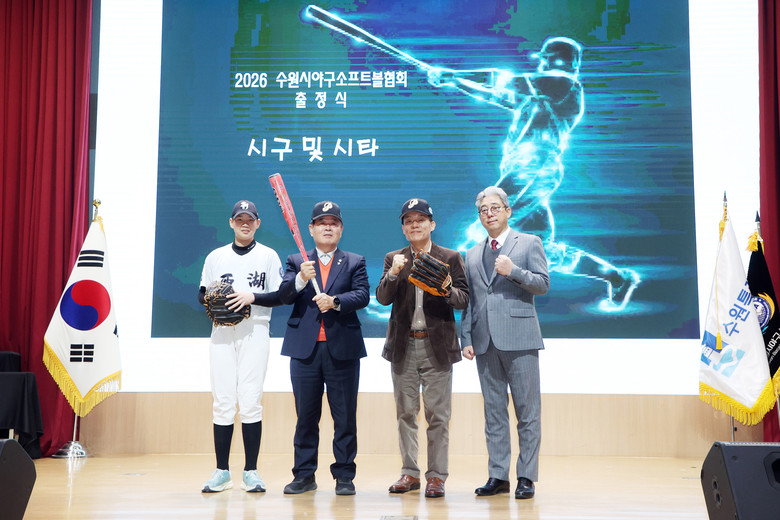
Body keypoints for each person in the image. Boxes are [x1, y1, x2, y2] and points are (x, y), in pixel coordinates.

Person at [427, 37, 639, 308]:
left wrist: (452, 74)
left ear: (556, 60)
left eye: (545, 59)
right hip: (530, 172)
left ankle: (426, 295)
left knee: (481, 227)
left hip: (532, 169)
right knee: (544, 251)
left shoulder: (565, 85)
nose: (541, 64)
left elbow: (502, 79)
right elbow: (494, 94)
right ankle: (617, 277)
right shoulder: (538, 96)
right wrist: (454, 81)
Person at [460, 186, 550, 499]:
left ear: (508, 211)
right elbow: (470, 300)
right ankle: (498, 475)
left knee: (527, 412)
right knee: (494, 413)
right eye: (484, 210)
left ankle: (526, 476)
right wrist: (466, 337)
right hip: (484, 342)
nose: (490, 213)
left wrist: (514, 272)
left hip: (520, 338)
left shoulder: (529, 242)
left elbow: (542, 284)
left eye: (495, 207)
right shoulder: (472, 253)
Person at [376, 198, 469, 498]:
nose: (414, 225)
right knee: (406, 413)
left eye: (420, 220)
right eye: (409, 221)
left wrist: (445, 289)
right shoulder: (394, 258)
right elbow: (382, 299)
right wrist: (393, 274)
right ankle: (410, 472)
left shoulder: (450, 257)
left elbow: (463, 299)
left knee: (438, 415)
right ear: (403, 229)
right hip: (403, 346)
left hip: (436, 346)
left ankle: (437, 476)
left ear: (432, 224)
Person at [277, 201, 370, 496]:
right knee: (306, 416)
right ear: (311, 229)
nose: (327, 228)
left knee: (344, 417)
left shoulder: (354, 261)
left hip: (342, 348)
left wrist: (335, 302)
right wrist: (301, 279)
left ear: (341, 229)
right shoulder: (297, 261)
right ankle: (304, 475)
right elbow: (284, 296)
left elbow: (362, 295)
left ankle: (344, 476)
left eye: (333, 223)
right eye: (321, 223)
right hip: (304, 350)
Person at [199, 199, 284, 493]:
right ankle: (222, 471)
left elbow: (280, 295)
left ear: (258, 223)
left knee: (250, 400)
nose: (245, 224)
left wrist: (252, 297)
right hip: (222, 331)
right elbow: (201, 294)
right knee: (223, 400)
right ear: (231, 223)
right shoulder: (216, 257)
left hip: (255, 328)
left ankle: (251, 471)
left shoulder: (268, 256)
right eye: (240, 219)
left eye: (250, 220)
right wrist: (214, 300)